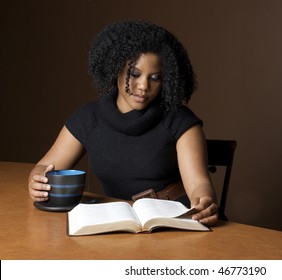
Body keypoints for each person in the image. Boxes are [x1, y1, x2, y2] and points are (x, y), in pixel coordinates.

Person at [28, 19, 218, 226]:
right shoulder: (89, 118)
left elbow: (199, 183)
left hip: (177, 219)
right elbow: (46, 166)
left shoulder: (179, 120)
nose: (144, 86)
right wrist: (37, 179)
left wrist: (204, 201)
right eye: (135, 74)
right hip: (123, 222)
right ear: (115, 69)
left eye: (155, 78)